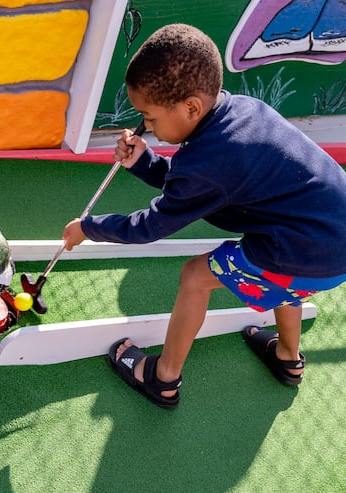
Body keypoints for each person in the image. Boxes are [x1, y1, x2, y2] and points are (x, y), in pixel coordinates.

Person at [62, 23, 346, 408]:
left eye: (151, 116)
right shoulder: (242, 111)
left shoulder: (208, 161)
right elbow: (199, 190)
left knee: (195, 277)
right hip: (329, 243)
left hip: (304, 252)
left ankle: (163, 378)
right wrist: (145, 162)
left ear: (192, 107)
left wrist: (89, 228)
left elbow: (151, 226)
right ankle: (287, 359)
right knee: (284, 275)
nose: (146, 126)